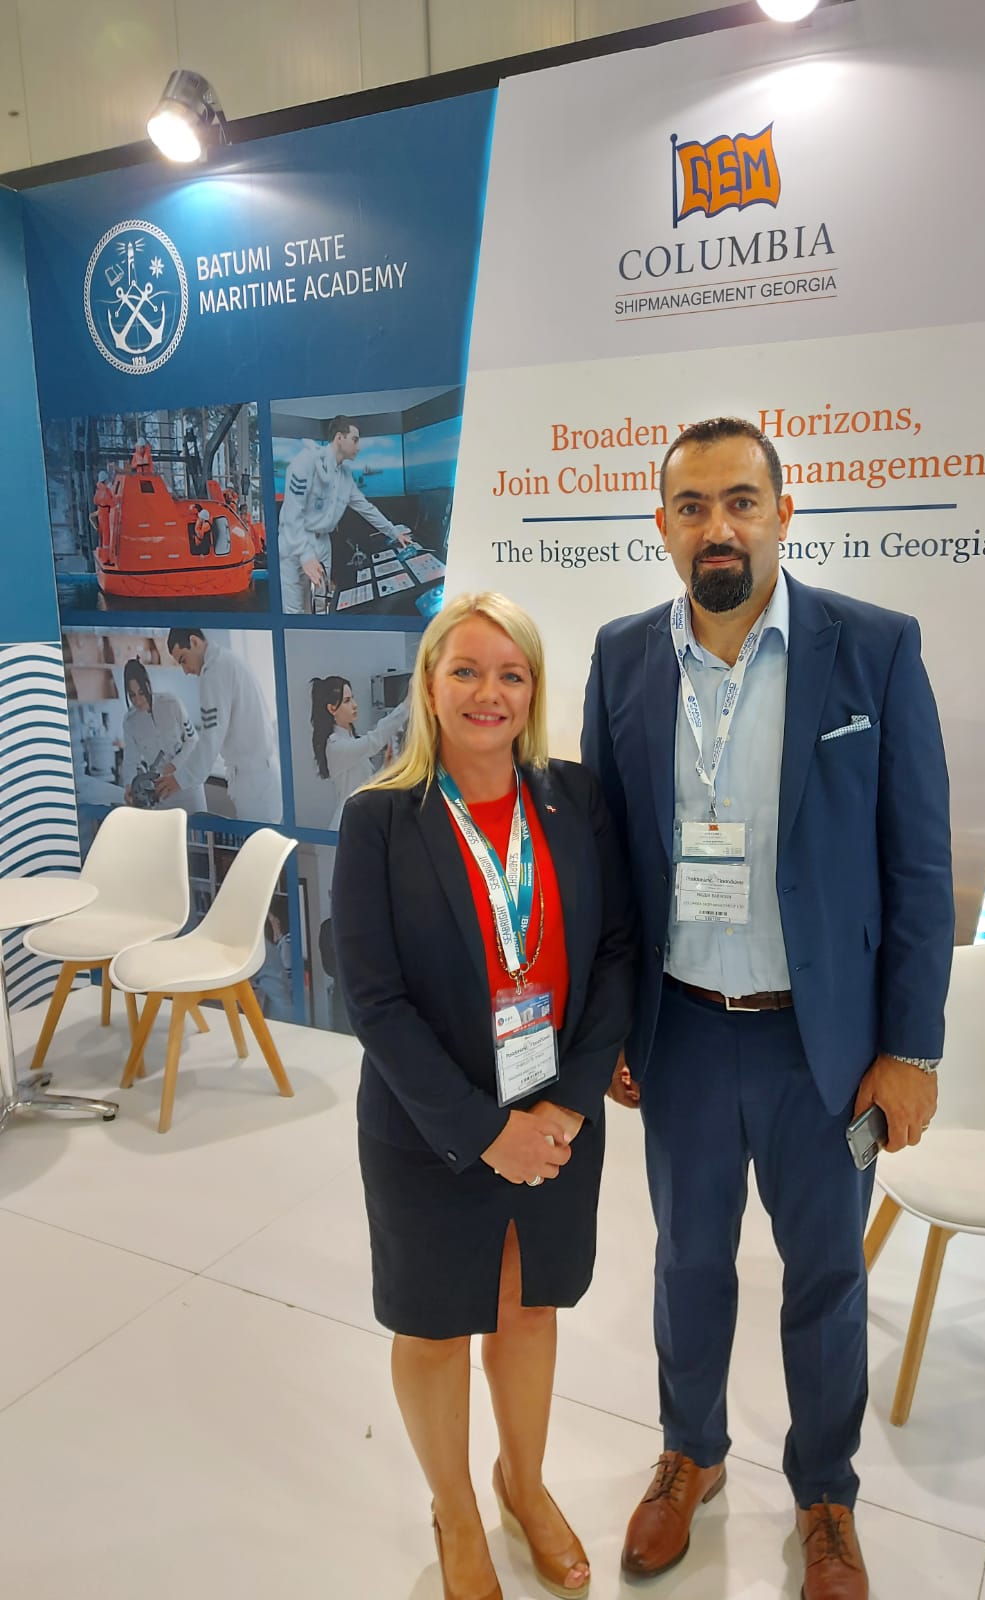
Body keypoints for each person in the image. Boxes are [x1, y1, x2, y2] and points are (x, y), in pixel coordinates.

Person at [581, 417, 954, 1600]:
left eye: (741, 500)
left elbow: (919, 867)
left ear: (784, 513)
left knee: (826, 1274)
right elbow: (605, 867)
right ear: (662, 527)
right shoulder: (621, 657)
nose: (719, 527)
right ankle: (689, 1452)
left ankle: (826, 1494)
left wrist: (911, 1048)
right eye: (692, 506)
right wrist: (610, 1026)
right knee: (688, 1259)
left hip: (822, 1047)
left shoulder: (872, 649)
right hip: (683, 1031)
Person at [333, 592, 636, 1600]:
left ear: (534, 691)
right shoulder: (379, 819)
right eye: (466, 670)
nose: (488, 692)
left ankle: (523, 1483)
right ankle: (456, 1509)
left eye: (511, 674)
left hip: (555, 1116)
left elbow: (615, 952)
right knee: (433, 1326)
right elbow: (373, 1000)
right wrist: (481, 1131)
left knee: (528, 1305)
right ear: (430, 685)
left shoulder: (574, 798)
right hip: (428, 1128)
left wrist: (570, 1104)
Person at [276, 415, 412, 614]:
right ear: (339, 438)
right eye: (355, 440)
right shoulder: (304, 463)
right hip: (294, 542)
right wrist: (305, 555)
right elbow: (291, 513)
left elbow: (366, 509)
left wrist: (394, 532)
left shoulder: (345, 477)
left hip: (322, 542)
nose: (359, 447)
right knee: (293, 612)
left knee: (321, 606)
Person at [157, 627, 282, 823]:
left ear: (194, 642)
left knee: (257, 840)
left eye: (183, 660)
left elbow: (211, 737)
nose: (185, 671)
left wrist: (180, 779)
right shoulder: (228, 660)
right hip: (260, 778)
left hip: (254, 783)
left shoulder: (214, 672)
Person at [310, 674, 410, 831]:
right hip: (348, 823)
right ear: (332, 709)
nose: (355, 705)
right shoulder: (335, 746)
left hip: (360, 819)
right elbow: (374, 741)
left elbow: (365, 786)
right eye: (347, 701)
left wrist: (386, 767)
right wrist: (407, 704)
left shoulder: (349, 740)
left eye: (352, 698)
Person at [121, 658, 205, 813]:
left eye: (141, 692)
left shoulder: (171, 704)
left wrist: (174, 765)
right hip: (162, 793)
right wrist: (128, 787)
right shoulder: (130, 722)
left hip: (188, 784)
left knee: (198, 826)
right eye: (132, 695)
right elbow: (130, 761)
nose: (137, 700)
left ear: (148, 685)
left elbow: (192, 740)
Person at [91, 470, 118, 564]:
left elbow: (95, 501)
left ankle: (102, 555)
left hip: (101, 513)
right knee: (106, 536)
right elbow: (112, 503)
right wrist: (117, 502)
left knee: (102, 535)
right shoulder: (105, 492)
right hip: (105, 514)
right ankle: (106, 558)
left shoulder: (99, 490)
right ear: (105, 480)